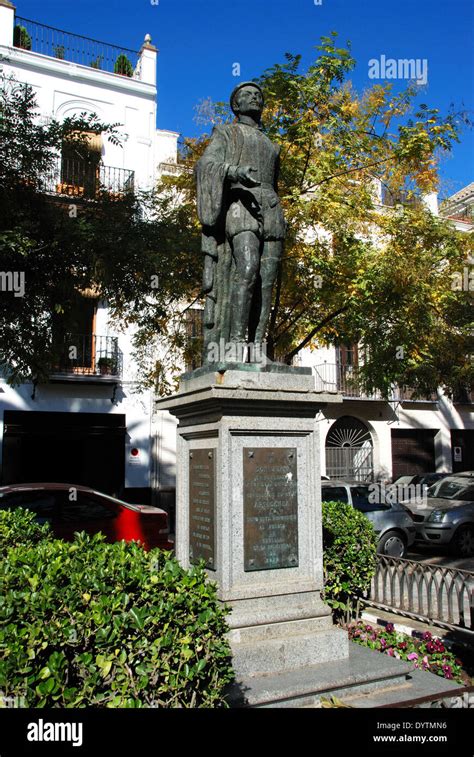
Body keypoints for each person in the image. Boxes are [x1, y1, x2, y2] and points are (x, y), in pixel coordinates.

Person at [195, 82, 285, 362]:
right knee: (247, 268)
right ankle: (234, 346)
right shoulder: (225, 133)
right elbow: (205, 165)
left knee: (267, 282)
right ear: (235, 105)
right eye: (248, 95)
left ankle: (258, 349)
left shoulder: (272, 144)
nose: (255, 97)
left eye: (259, 95)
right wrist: (234, 171)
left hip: (271, 209)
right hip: (240, 205)